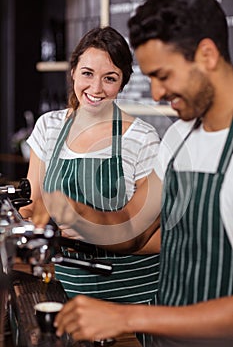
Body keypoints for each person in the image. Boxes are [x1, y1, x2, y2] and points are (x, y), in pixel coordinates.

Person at [39, 0, 233, 346]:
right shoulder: (178, 137)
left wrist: (126, 315)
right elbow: (132, 227)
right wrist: (78, 214)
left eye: (163, 75)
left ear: (206, 55)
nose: (157, 94)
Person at [21, 26, 161, 346]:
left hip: (129, 299)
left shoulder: (141, 137)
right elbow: (32, 203)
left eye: (109, 78)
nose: (95, 88)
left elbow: (149, 232)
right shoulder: (50, 127)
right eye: (87, 73)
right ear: (73, 73)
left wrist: (85, 223)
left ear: (122, 82)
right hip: (68, 290)